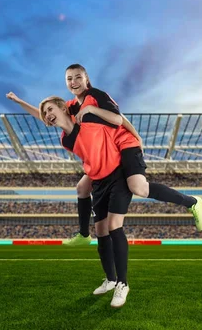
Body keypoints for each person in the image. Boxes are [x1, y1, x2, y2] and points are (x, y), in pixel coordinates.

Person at [6, 64, 202, 246]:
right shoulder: (74, 106)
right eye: (69, 79)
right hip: (107, 151)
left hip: (124, 144)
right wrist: (19, 101)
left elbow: (119, 119)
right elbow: (46, 115)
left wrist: (135, 135)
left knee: (139, 188)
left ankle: (192, 202)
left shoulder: (96, 96)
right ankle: (84, 235)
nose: (74, 82)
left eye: (78, 77)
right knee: (82, 187)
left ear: (86, 78)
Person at [39, 95, 130, 307]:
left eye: (51, 109)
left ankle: (122, 283)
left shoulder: (83, 118)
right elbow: (88, 153)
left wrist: (134, 139)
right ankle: (110, 278)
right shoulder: (64, 139)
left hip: (114, 167)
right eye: (45, 114)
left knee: (115, 225)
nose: (48, 115)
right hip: (97, 175)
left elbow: (117, 119)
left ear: (63, 108)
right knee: (101, 232)